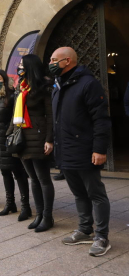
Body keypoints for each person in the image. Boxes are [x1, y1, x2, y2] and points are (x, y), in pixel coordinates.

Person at [50, 47, 112, 257]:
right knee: (78, 194)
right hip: (65, 150)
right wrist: (52, 142)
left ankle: (101, 236)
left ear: (67, 61)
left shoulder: (88, 84)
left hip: (85, 150)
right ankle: (85, 229)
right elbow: (56, 120)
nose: (50, 63)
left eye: (53, 59)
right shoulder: (58, 86)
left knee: (96, 194)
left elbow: (101, 119)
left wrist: (99, 149)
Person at [7, 54, 55, 232]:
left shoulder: (44, 88)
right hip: (23, 139)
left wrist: (49, 139)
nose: (19, 68)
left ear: (30, 67)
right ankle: (39, 215)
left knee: (43, 179)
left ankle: (48, 217)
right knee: (33, 179)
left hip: (39, 138)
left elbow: (50, 116)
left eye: (21, 65)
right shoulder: (21, 88)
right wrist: (10, 135)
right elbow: (15, 115)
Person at [0, 69, 31, 221]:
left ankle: (26, 206)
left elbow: (16, 118)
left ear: (5, 80)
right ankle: (10, 203)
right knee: (5, 172)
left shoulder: (12, 96)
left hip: (10, 140)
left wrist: (9, 134)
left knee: (18, 173)